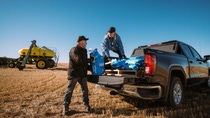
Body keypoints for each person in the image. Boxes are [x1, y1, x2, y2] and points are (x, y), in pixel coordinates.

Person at [63, 35, 92, 115]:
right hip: (74, 74)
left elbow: (85, 63)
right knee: (70, 90)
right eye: (84, 41)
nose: (86, 42)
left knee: (85, 90)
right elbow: (79, 61)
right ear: (80, 42)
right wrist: (90, 60)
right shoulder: (74, 50)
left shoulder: (85, 51)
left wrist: (92, 67)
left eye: (86, 41)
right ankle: (65, 107)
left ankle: (86, 105)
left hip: (82, 74)